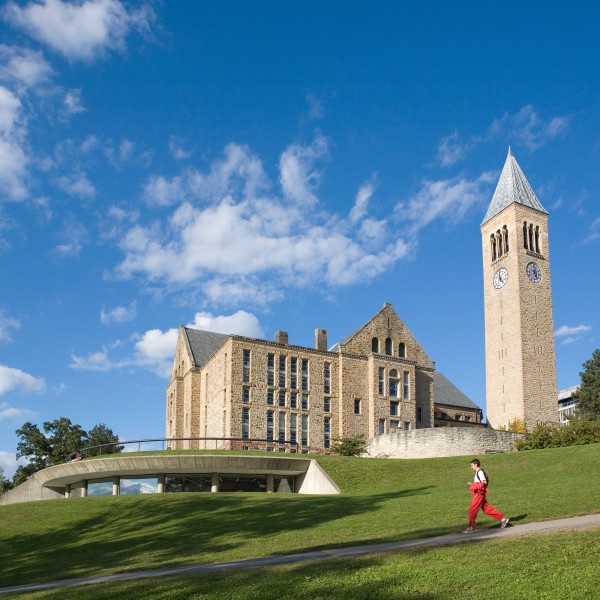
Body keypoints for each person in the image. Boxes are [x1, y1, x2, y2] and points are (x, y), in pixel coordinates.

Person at [463, 458, 509, 533]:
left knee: (472, 510)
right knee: (487, 509)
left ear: (476, 465)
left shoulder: (480, 472)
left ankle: (471, 528)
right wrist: (472, 484)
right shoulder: (478, 472)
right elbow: (480, 483)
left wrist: (474, 486)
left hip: (479, 494)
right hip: (480, 494)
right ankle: (503, 519)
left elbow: (484, 482)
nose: (471, 467)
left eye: (472, 465)